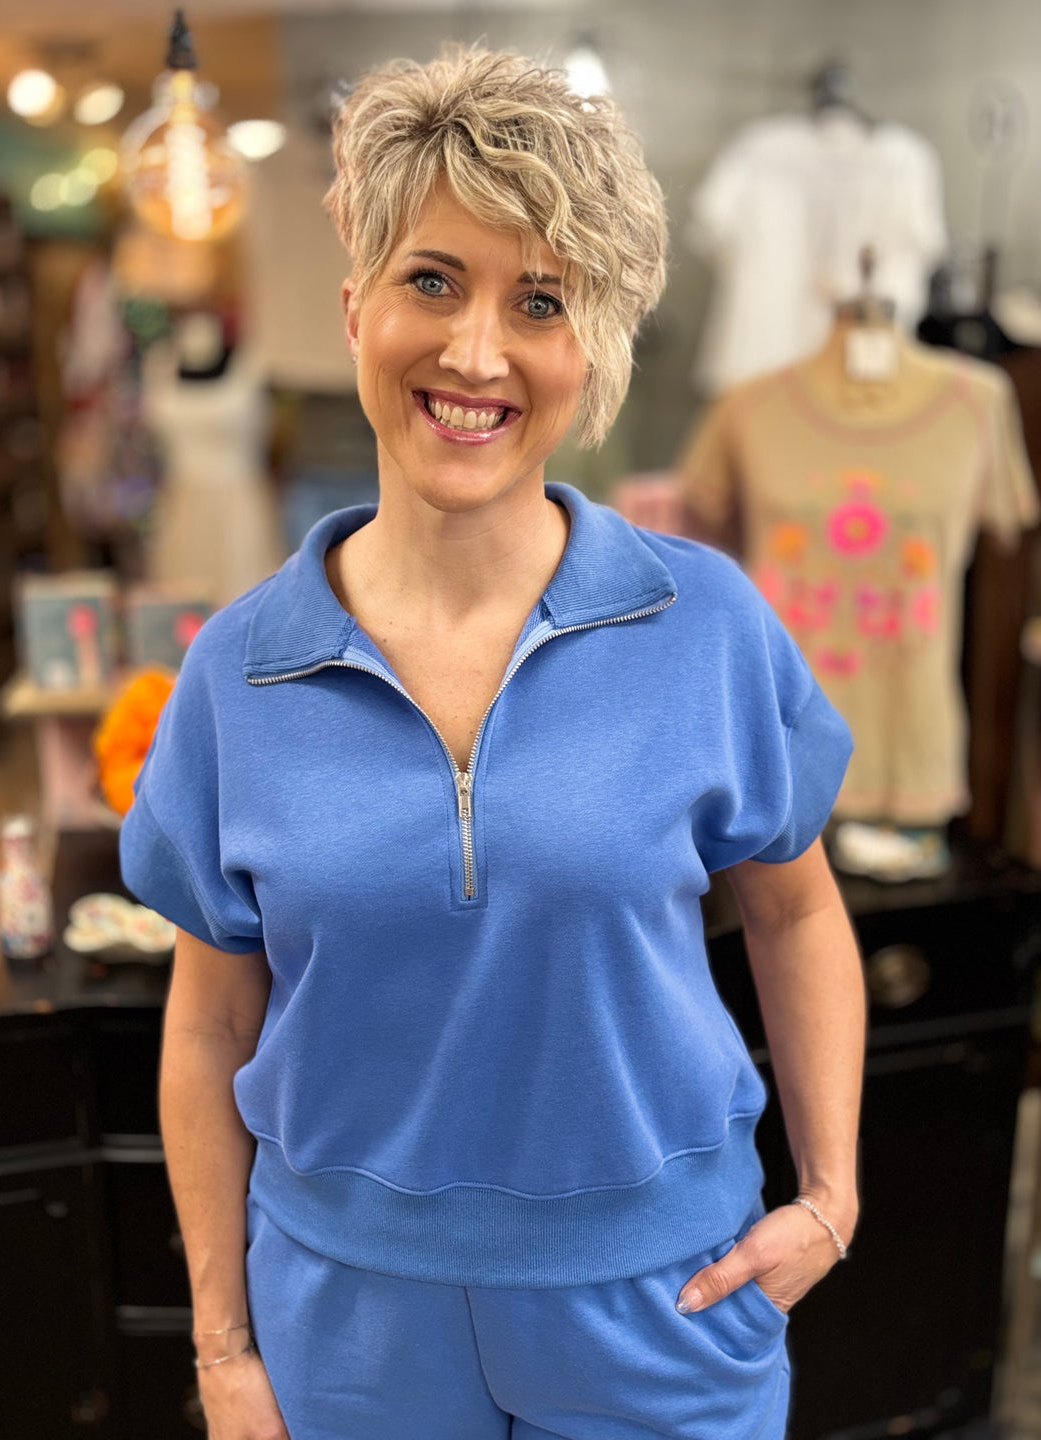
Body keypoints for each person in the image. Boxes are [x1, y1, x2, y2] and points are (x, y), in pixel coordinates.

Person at [119, 45, 866, 1440]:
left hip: (663, 1302)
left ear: (592, 347)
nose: (477, 353)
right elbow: (210, 1018)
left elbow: (799, 912)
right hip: (346, 1326)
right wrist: (223, 1349)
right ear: (356, 306)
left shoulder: (705, 624)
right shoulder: (237, 672)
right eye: (432, 280)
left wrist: (830, 1195)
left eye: (540, 300)